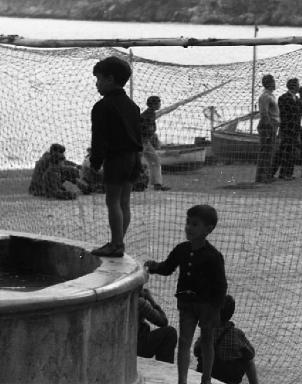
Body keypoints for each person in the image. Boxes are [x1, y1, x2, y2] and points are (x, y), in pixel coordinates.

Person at [144, 204, 227, 384]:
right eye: (188, 222)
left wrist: (216, 310)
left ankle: (206, 379)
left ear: (209, 229)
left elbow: (221, 286)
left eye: (195, 224)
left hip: (207, 307)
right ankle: (182, 380)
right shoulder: (181, 249)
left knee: (206, 342)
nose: (189, 227)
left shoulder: (214, 256)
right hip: (187, 304)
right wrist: (154, 267)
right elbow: (167, 267)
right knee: (184, 341)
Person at [90, 56, 142, 257]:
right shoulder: (133, 106)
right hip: (134, 158)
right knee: (124, 202)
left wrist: (95, 163)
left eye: (99, 79)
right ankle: (118, 241)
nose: (97, 84)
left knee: (112, 202)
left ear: (110, 79)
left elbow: (99, 139)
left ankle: (116, 244)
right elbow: (139, 136)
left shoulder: (102, 107)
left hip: (117, 159)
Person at [194, 295, 259, 384]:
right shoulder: (237, 334)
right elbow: (251, 353)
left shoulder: (207, 332)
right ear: (231, 313)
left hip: (208, 376)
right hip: (230, 379)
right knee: (248, 360)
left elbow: (196, 351)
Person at [137, 287, 178, 364]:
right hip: (136, 346)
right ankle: (164, 369)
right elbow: (163, 322)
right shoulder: (139, 302)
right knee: (170, 332)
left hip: (123, 344)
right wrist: (151, 300)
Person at [271, 78, 301, 180]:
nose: (299, 87)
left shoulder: (296, 99)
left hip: (294, 128)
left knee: (290, 151)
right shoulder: (283, 98)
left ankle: (287, 173)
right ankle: (278, 173)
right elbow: (283, 114)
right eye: (297, 85)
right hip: (286, 128)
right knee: (284, 151)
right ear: (293, 86)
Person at [141, 95, 170, 191]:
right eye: (158, 103)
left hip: (145, 142)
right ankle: (152, 184)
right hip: (141, 142)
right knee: (152, 161)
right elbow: (146, 129)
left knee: (155, 161)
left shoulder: (150, 114)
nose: (160, 104)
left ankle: (156, 184)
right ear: (154, 104)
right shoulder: (148, 115)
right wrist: (153, 138)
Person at [255, 74, 279, 183]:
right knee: (265, 151)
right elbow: (264, 113)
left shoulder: (271, 96)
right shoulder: (265, 96)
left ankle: (267, 175)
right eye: (273, 81)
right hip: (267, 126)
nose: (275, 83)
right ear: (269, 83)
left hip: (273, 125)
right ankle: (261, 177)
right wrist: (269, 127)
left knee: (270, 151)